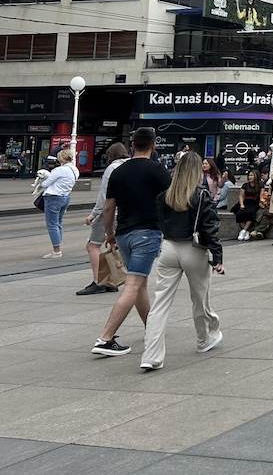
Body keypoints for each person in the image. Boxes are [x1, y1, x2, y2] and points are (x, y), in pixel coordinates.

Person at [139, 152, 224, 370]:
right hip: (193, 249)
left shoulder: (165, 195)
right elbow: (210, 228)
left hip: (168, 248)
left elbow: (158, 221)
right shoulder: (201, 195)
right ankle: (204, 339)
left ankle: (151, 356)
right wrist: (217, 257)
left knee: (160, 304)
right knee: (200, 298)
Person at [91, 127, 171, 357]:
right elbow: (172, 199)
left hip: (124, 234)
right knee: (133, 285)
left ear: (133, 145)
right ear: (153, 145)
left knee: (139, 284)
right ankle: (105, 338)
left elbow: (108, 207)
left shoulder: (119, 171)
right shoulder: (158, 170)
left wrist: (109, 233)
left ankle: (151, 329)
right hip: (147, 233)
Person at [79, 143, 128, 295]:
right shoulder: (131, 165)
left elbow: (104, 196)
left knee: (92, 246)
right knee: (112, 245)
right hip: (125, 211)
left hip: (109, 211)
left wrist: (93, 215)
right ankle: (111, 280)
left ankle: (98, 281)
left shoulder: (112, 168)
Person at [39, 148, 78, 259]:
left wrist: (43, 178)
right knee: (58, 223)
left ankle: (56, 250)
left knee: (52, 225)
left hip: (53, 198)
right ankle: (58, 248)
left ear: (62, 158)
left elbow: (45, 184)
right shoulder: (75, 170)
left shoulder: (60, 170)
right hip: (65, 197)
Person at [234, 169, 263, 242]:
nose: (250, 177)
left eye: (252, 175)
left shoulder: (260, 184)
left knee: (250, 213)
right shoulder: (245, 185)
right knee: (239, 213)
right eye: (249, 175)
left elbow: (261, 196)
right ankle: (246, 231)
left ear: (256, 176)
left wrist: (261, 202)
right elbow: (241, 196)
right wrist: (241, 205)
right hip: (245, 202)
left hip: (254, 202)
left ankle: (243, 231)